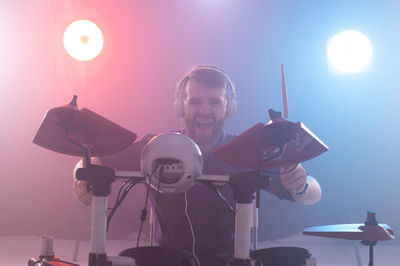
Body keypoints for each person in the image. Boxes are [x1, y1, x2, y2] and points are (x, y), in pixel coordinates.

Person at [72, 65, 322, 266]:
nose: (204, 111)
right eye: (195, 102)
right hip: (167, 262)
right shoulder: (155, 146)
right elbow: (93, 160)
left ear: (229, 107)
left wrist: (300, 183)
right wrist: (81, 178)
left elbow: (310, 193)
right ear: (181, 106)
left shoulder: (247, 151)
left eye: (214, 102)